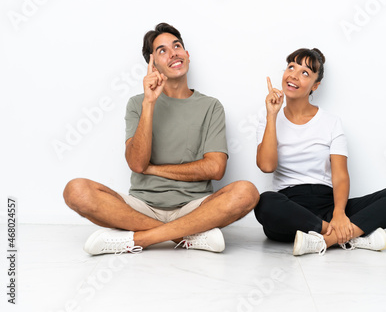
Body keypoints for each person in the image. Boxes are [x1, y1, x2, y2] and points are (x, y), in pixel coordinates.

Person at [63, 23, 259, 255]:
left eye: (177, 46)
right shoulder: (138, 103)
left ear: (187, 55)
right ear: (153, 64)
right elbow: (137, 164)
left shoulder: (211, 106)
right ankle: (187, 235)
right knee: (75, 190)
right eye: (162, 50)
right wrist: (149, 103)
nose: (173, 53)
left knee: (247, 192)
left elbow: (216, 168)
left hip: (195, 207)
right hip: (141, 208)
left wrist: (153, 170)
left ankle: (140, 239)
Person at [254, 48, 386, 256]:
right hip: (291, 209)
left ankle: (325, 240)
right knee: (265, 202)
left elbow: (340, 175)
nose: (294, 75)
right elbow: (267, 166)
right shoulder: (269, 119)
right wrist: (271, 115)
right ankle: (348, 236)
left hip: (328, 204)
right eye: (291, 67)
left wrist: (339, 213)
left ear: (315, 85)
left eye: (305, 72)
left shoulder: (331, 122)